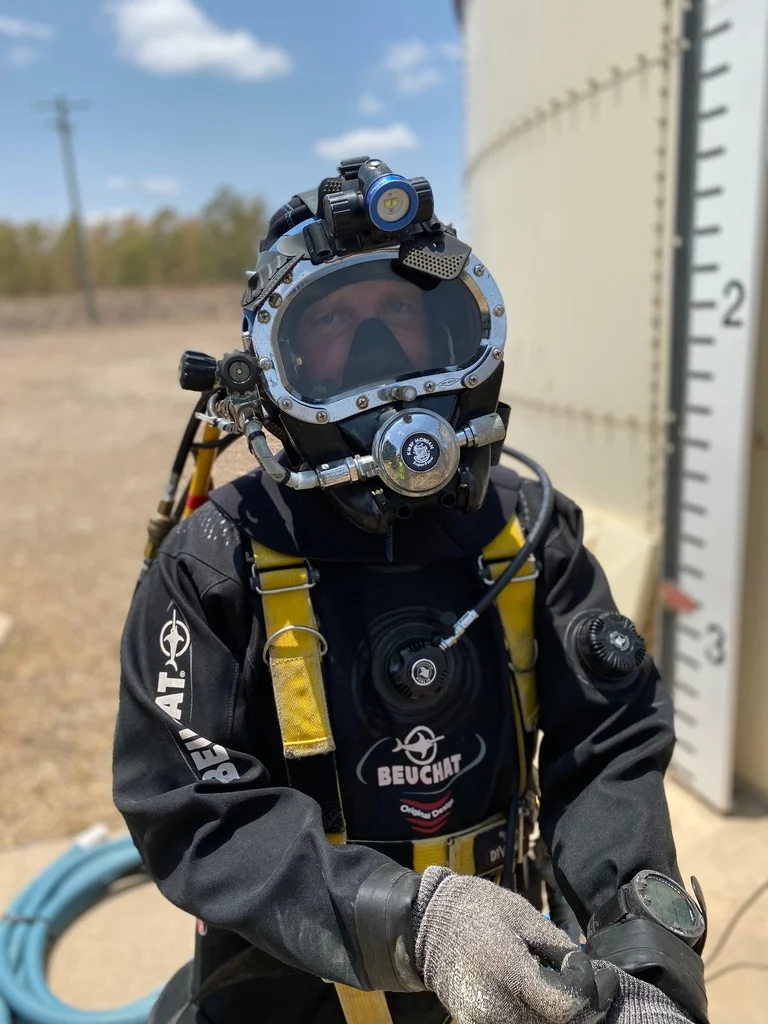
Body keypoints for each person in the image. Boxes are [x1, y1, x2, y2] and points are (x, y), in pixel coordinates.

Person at [113, 157, 708, 1024]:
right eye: (336, 324)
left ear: (460, 334)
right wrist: (415, 922)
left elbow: (610, 747)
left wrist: (644, 962)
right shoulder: (213, 563)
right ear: (272, 372)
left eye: (401, 309)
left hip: (507, 962)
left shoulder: (530, 531)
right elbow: (188, 802)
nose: (379, 348)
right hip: (288, 970)